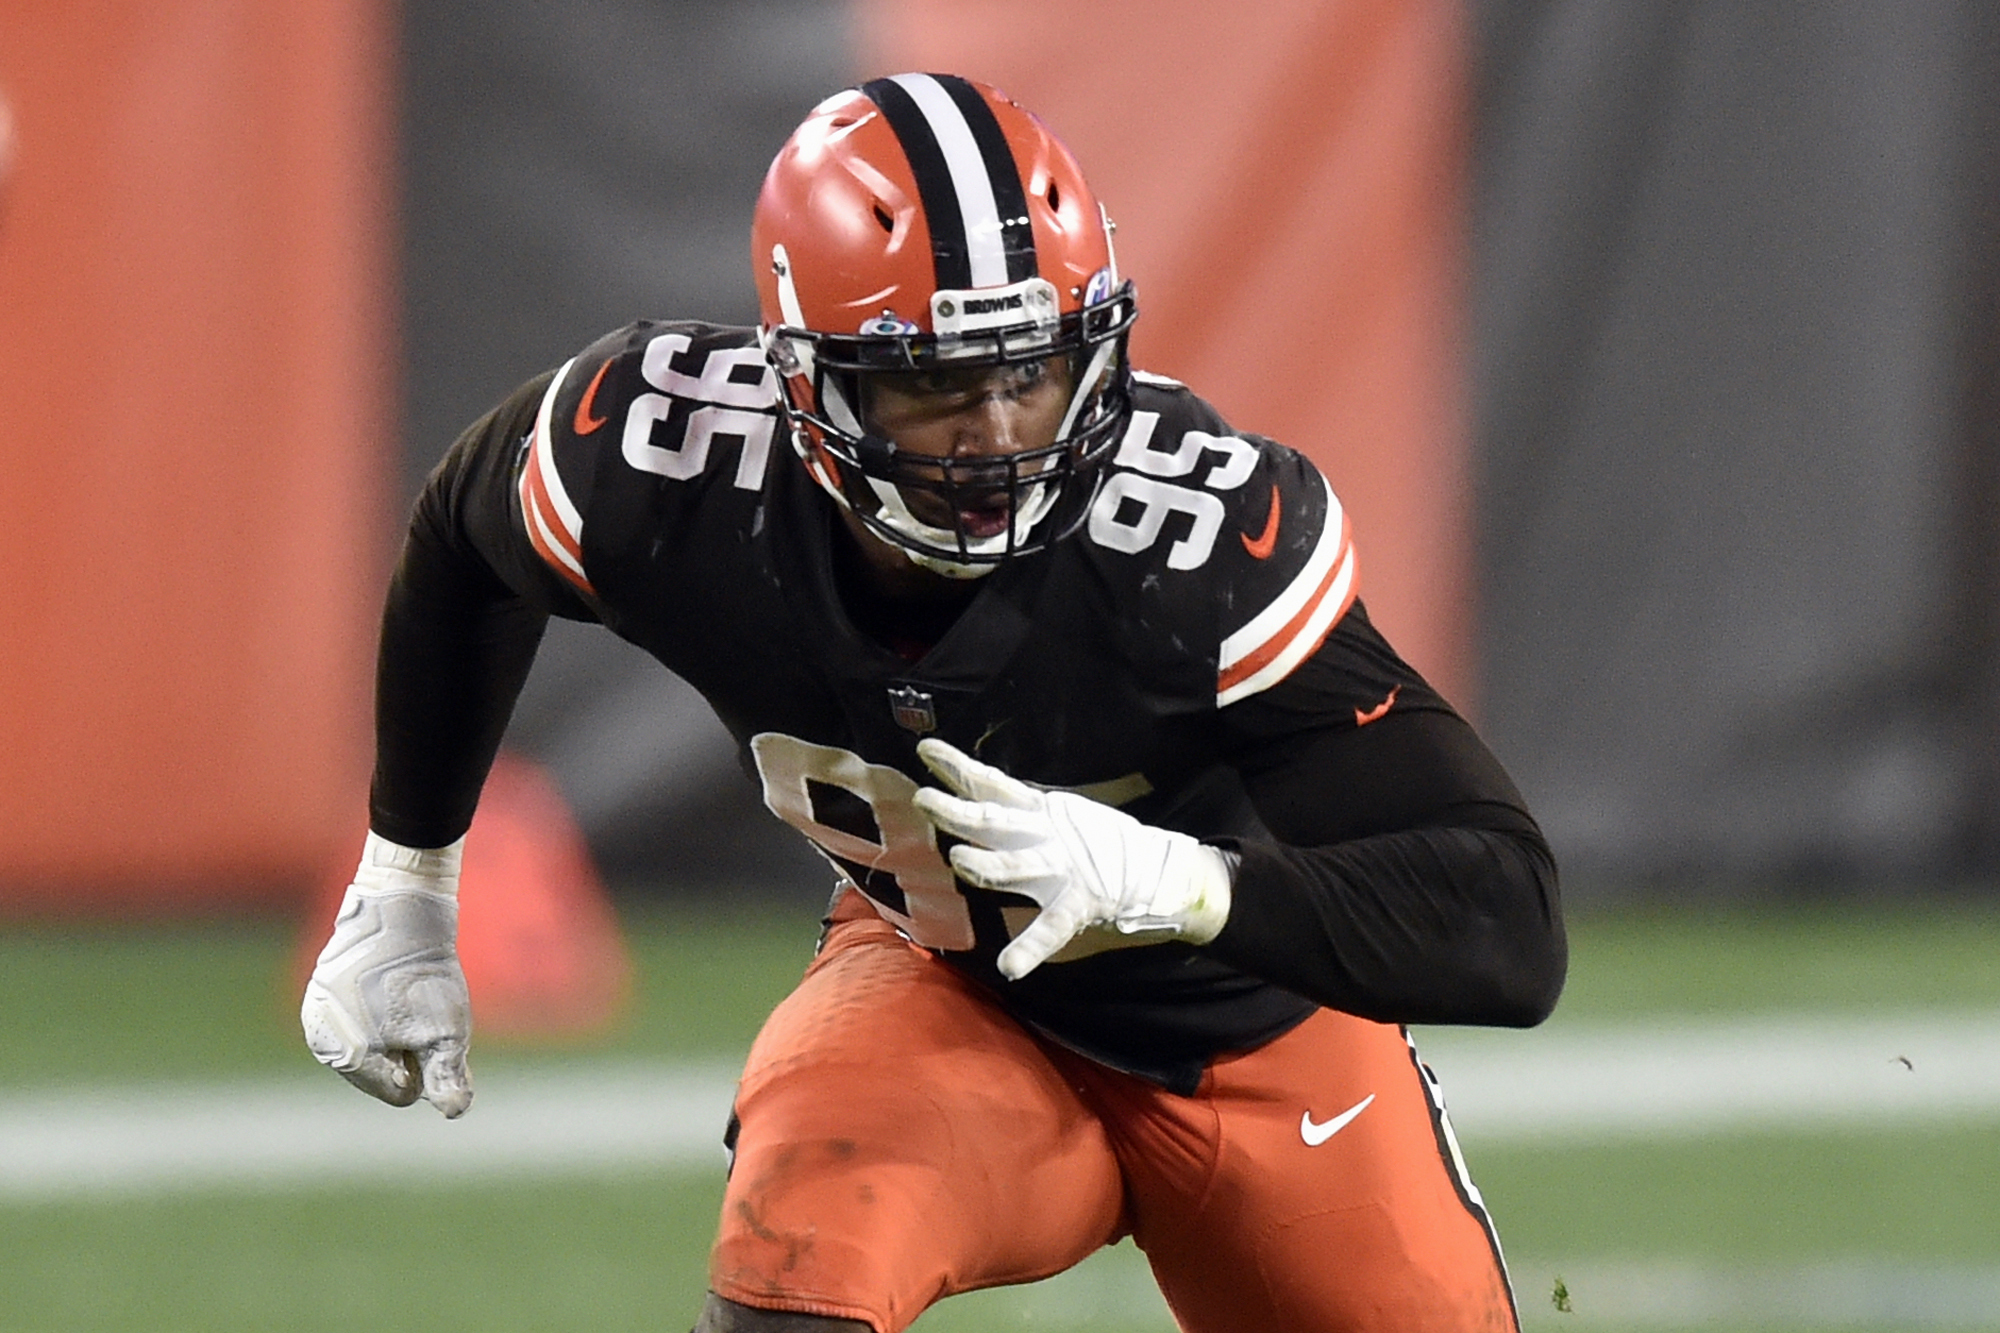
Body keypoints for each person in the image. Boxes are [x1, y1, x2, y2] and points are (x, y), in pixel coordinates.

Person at [300, 73, 1565, 1333]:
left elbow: (1506, 919)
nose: (999, 431)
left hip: (1259, 1038)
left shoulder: (1190, 548)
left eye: (1034, 369)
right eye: (936, 385)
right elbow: (462, 542)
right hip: (952, 992)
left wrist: (1181, 882)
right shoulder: (664, 461)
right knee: (798, 1260)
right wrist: (407, 876)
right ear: (803, 379)